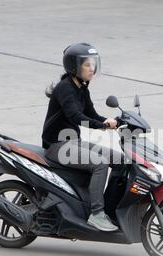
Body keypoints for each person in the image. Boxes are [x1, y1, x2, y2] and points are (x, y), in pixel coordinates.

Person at [41, 43, 121, 232]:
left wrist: (113, 121)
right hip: (57, 146)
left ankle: (112, 208)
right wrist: (100, 125)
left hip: (73, 142)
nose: (91, 69)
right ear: (74, 67)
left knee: (120, 159)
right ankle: (96, 214)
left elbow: (91, 114)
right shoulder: (65, 88)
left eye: (93, 64)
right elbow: (75, 116)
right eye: (87, 65)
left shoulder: (82, 88)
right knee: (100, 163)